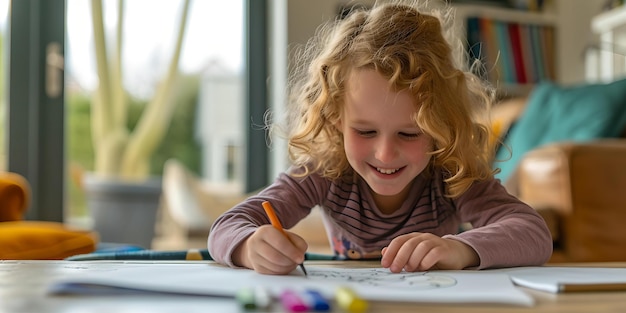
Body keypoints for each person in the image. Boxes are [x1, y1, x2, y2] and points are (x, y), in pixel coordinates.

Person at [208, 0, 552, 275]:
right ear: (335, 118)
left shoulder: (450, 172)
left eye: (409, 133)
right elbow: (227, 226)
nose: (386, 154)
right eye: (365, 131)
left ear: (440, 126)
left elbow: (533, 233)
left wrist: (459, 249)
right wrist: (249, 246)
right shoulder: (323, 169)